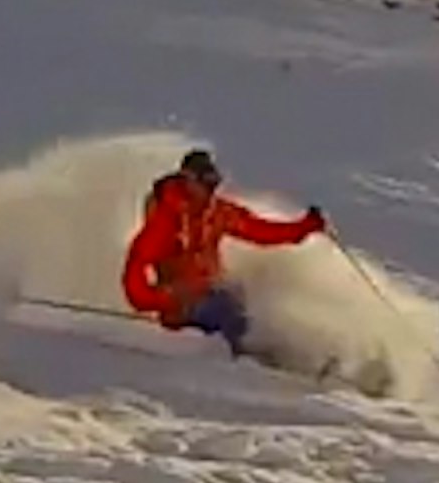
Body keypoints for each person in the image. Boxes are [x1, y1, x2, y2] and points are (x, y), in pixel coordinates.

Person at [120, 148, 326, 356]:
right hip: (184, 311)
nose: (210, 191)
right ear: (188, 180)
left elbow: (259, 230)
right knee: (226, 311)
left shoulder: (216, 213)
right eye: (205, 183)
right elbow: (135, 267)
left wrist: (303, 228)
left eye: (214, 183)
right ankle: (252, 359)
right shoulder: (167, 222)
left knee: (245, 293)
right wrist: (161, 299)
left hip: (211, 293)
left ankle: (279, 353)